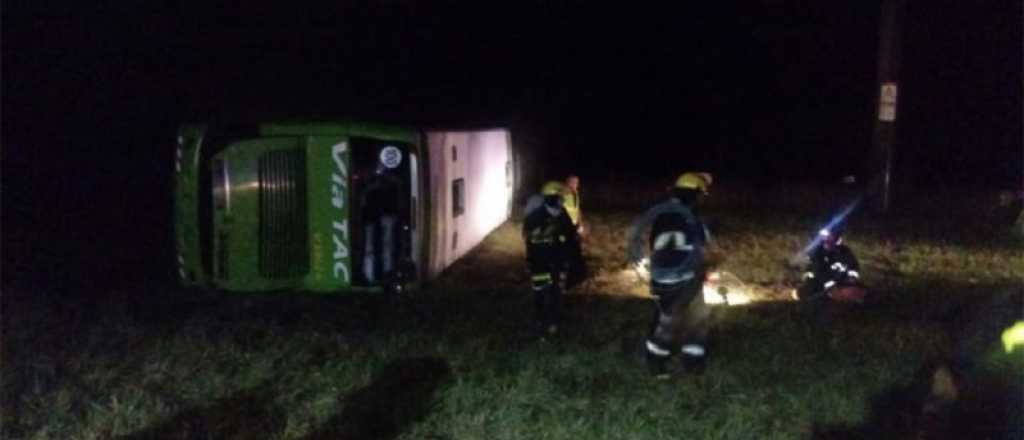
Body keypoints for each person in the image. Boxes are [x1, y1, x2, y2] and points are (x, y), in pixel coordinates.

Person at [627, 172, 713, 378]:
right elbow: (702, 246)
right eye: (701, 195)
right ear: (694, 195)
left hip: (660, 278)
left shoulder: (661, 216)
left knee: (666, 319)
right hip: (685, 278)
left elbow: (654, 244)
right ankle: (689, 363)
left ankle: (655, 360)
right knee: (697, 317)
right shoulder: (693, 217)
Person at [522, 180, 577, 338]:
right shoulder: (535, 217)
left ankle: (553, 322)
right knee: (540, 292)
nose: (562, 200)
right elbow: (530, 240)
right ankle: (539, 322)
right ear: (551, 198)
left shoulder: (563, 214)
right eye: (560, 197)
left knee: (556, 292)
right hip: (539, 263)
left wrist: (568, 251)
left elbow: (570, 235)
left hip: (557, 262)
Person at [359, 150, 406, 286]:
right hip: (374, 217)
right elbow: (363, 198)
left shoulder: (391, 181)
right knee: (374, 248)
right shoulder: (373, 181)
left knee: (384, 247)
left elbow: (397, 194)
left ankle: (384, 275)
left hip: (384, 216)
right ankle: (373, 276)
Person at [795, 225, 866, 304]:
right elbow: (819, 271)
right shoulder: (817, 252)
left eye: (832, 237)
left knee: (861, 291)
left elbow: (853, 265)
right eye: (827, 238)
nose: (829, 240)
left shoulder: (844, 251)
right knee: (808, 292)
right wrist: (831, 286)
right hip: (818, 282)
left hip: (839, 281)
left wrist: (852, 278)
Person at [563, 174, 587, 287]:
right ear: (567, 183)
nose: (575, 185)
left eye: (576, 183)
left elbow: (577, 210)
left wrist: (580, 226)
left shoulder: (575, 194)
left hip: (574, 227)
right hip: (565, 228)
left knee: (575, 250)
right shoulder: (563, 195)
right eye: (572, 182)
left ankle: (577, 276)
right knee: (569, 252)